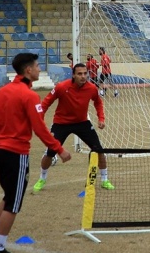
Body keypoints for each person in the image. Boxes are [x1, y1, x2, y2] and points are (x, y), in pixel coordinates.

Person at [0, 53, 72, 253]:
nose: (40, 69)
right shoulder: (29, 96)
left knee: (8, 196)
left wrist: (3, 131)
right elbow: (40, 128)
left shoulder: (2, 92)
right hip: (15, 153)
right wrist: (59, 149)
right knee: (13, 203)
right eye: (38, 66)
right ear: (28, 70)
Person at [32, 63, 115, 193]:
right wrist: (39, 120)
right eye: (79, 74)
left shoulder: (92, 88)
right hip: (61, 123)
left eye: (85, 73)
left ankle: (104, 179)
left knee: (99, 150)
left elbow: (98, 102)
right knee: (50, 152)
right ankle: (42, 178)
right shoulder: (61, 87)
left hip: (82, 123)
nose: (83, 76)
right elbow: (46, 103)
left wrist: (101, 119)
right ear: (73, 75)